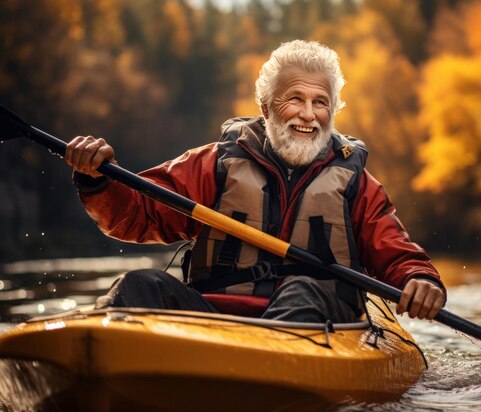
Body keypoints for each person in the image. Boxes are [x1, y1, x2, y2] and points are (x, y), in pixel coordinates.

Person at [65, 40, 446, 323]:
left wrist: (419, 279)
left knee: (302, 291)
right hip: (216, 317)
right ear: (266, 108)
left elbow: (396, 253)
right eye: (295, 99)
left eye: (321, 102)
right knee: (140, 284)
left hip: (322, 325)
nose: (309, 115)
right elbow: (137, 215)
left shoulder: (356, 183)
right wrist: (98, 180)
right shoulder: (214, 164)